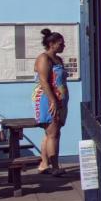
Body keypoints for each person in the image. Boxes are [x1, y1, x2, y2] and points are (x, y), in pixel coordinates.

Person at [32, 28, 69, 175]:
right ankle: (54, 167)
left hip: (58, 101)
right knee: (53, 133)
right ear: (52, 44)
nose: (63, 46)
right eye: (61, 44)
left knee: (51, 133)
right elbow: (44, 81)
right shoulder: (44, 58)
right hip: (48, 99)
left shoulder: (58, 59)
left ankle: (44, 164)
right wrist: (53, 100)